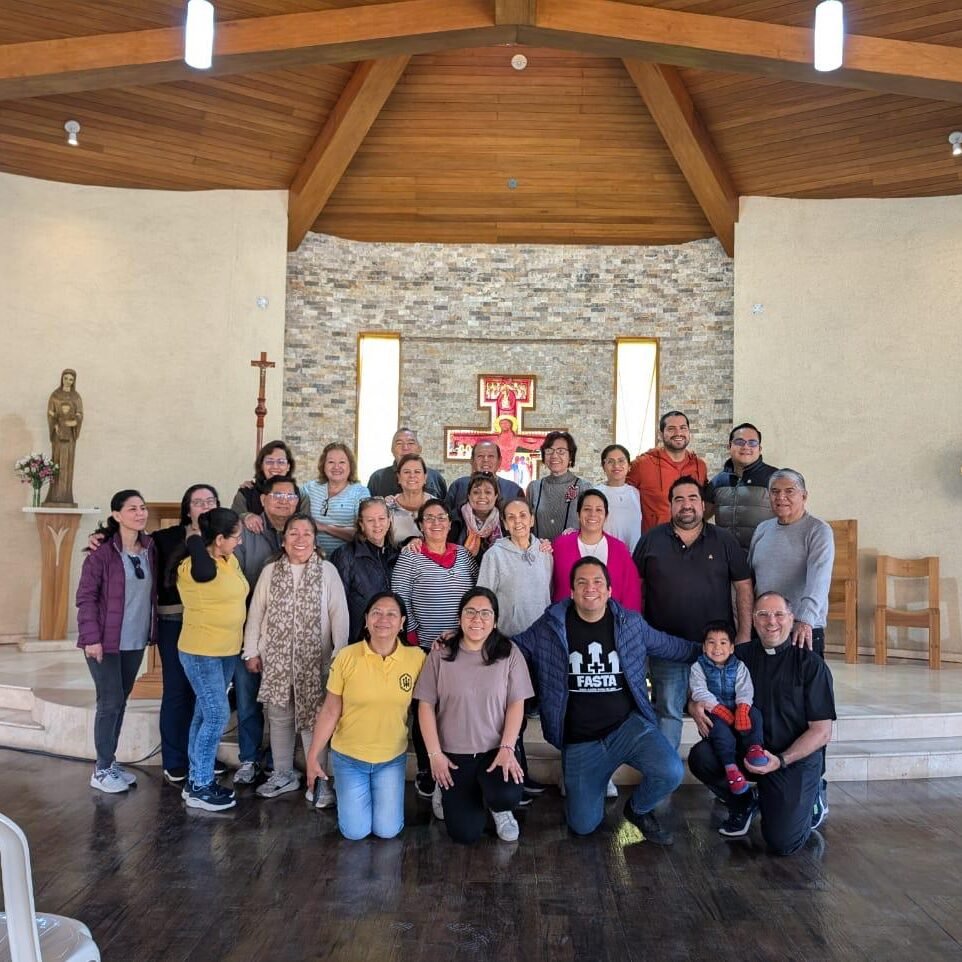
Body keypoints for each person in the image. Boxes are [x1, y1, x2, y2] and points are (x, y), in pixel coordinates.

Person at [514, 557, 700, 842]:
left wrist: (716, 652)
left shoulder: (630, 623)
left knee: (671, 770)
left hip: (627, 729)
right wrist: (467, 643)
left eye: (598, 582)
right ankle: (594, 784)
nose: (591, 588)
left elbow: (670, 646)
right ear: (572, 591)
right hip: (581, 741)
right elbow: (515, 646)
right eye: (582, 582)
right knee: (583, 825)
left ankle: (638, 810)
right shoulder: (550, 626)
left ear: (610, 590)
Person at [688, 593, 836, 853]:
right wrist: (693, 704)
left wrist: (781, 759)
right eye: (763, 615)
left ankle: (813, 797)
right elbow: (702, 682)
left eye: (779, 614)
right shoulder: (738, 656)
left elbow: (821, 732)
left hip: (790, 760)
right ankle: (744, 801)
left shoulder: (811, 665)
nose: (771, 622)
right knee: (702, 756)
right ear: (753, 621)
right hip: (748, 751)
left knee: (783, 843)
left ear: (792, 620)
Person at [632, 476, 753, 751]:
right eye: (679, 499)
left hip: (716, 651)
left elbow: (744, 586)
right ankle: (664, 778)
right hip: (665, 648)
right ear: (670, 505)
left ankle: (727, 776)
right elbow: (635, 591)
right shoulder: (650, 540)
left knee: (723, 712)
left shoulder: (724, 540)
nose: (686, 505)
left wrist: (744, 633)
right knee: (668, 712)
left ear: (702, 504)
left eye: (692, 498)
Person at [242, 514, 349, 800]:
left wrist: (340, 654)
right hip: (275, 661)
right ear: (283, 539)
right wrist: (251, 650)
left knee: (313, 718)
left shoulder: (327, 571)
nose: (300, 539)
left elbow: (339, 615)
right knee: (278, 716)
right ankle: (283, 774)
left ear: (315, 541)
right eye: (293, 533)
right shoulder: (270, 571)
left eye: (306, 534)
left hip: (315, 662)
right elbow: (256, 614)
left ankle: (319, 778)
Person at [416, 588, 533, 843]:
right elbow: (425, 705)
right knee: (464, 834)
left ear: (494, 621)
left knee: (506, 796)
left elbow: (516, 703)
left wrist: (507, 747)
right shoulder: (441, 652)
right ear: (459, 618)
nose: (477, 619)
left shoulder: (509, 652)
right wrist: (435, 756)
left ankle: (499, 810)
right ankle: (443, 788)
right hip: (453, 755)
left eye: (485, 613)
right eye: (470, 612)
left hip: (495, 750)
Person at [306, 592, 425, 840]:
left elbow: (428, 707)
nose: (383, 619)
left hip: (390, 758)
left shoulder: (416, 659)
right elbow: (330, 710)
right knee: (355, 832)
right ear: (366, 620)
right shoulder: (347, 656)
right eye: (376, 613)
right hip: (349, 758)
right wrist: (313, 756)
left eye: (391, 614)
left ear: (403, 622)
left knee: (387, 831)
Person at [390, 499, 478, 797]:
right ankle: (428, 769)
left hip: (463, 645)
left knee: (456, 708)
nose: (436, 524)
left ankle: (456, 761)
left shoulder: (464, 555)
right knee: (425, 707)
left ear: (451, 523)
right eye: (429, 519)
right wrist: (413, 635)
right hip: (425, 645)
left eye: (442, 518)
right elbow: (399, 597)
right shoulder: (411, 557)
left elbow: (477, 594)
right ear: (420, 525)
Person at [76, 490, 156, 793]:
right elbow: (85, 598)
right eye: (132, 509)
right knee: (109, 702)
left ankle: (109, 763)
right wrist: (91, 639)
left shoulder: (150, 549)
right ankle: (101, 769)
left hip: (134, 642)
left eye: (143, 508)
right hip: (104, 642)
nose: (140, 513)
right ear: (117, 515)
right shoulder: (102, 553)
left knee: (120, 701)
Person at [477, 496, 554, 798]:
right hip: (509, 644)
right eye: (511, 517)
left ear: (532, 519)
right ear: (504, 523)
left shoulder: (544, 551)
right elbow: (484, 598)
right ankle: (512, 778)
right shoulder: (495, 555)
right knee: (512, 715)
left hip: (541, 643)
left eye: (523, 515)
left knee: (529, 708)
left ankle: (521, 774)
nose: (518, 521)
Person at [231, 474, 302, 786]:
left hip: (287, 638)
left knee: (283, 703)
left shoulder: (300, 532)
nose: (283, 501)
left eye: (289, 496)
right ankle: (248, 759)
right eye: (277, 495)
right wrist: (251, 644)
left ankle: (277, 761)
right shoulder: (247, 531)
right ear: (263, 499)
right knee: (247, 700)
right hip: (248, 628)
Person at [177, 508, 249, 811]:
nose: (240, 542)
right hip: (201, 651)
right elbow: (203, 571)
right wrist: (195, 540)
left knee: (203, 714)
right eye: (235, 536)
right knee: (218, 715)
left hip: (226, 650)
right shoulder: (192, 566)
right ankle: (202, 785)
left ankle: (196, 780)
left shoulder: (228, 560)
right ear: (219, 539)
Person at [748, 469, 835, 656]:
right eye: (775, 491)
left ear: (803, 496)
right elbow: (750, 578)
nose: (781, 497)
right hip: (765, 628)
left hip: (801, 628)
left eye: (789, 491)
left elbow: (819, 578)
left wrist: (805, 620)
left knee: (802, 684)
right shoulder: (762, 529)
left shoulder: (818, 530)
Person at [688, 622, 767, 796]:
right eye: (711, 642)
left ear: (731, 648)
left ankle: (754, 748)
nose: (717, 647)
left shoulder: (739, 666)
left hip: (738, 705)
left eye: (723, 643)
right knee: (718, 731)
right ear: (703, 647)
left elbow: (745, 688)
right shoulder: (698, 667)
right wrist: (717, 708)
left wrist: (743, 707)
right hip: (714, 709)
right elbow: (699, 690)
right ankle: (730, 768)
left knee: (756, 715)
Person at [551, 490, 641, 611]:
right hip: (565, 621)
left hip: (611, 623)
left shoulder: (619, 549)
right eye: (587, 509)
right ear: (578, 514)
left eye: (599, 510)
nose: (592, 514)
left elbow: (631, 592)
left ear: (606, 516)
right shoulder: (559, 546)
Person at [330, 497, 400, 644]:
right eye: (370, 520)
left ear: (389, 521)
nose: (377, 525)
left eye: (381, 518)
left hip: (393, 639)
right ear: (361, 524)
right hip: (358, 640)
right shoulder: (345, 555)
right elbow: (336, 605)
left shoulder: (397, 554)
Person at [627, 411, 708, 533]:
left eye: (683, 428)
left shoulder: (699, 466)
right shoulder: (642, 464)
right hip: (655, 543)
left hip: (692, 542)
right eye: (671, 429)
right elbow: (619, 494)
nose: (678, 433)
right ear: (661, 434)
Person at [708, 422, 778, 551]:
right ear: (729, 446)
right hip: (726, 558)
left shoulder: (775, 478)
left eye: (752, 442)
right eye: (739, 442)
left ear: (759, 448)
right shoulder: (718, 481)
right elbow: (701, 515)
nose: (746, 447)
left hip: (763, 557)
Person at [301, 442, 370, 558]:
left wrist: (324, 527)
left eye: (342, 462)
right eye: (331, 462)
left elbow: (363, 534)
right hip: (311, 560)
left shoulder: (360, 492)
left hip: (346, 562)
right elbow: (287, 498)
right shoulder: (310, 488)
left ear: (350, 466)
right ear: (323, 465)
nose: (336, 467)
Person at [526, 431, 591, 541]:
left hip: (571, 552)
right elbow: (527, 524)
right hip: (539, 553)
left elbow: (590, 525)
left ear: (570, 456)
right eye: (549, 451)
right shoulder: (534, 487)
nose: (554, 455)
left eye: (561, 451)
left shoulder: (584, 487)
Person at [367, 427, 447, 500]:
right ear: (392, 450)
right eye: (399, 443)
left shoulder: (435, 477)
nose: (405, 447)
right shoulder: (378, 478)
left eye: (411, 443)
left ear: (419, 449)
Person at [446, 441, 523, 512]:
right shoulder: (459, 486)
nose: (485, 460)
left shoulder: (513, 490)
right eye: (480, 456)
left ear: (499, 461)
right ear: (472, 461)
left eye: (491, 456)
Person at [43, 368, 83, 506]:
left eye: (71, 379)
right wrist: (55, 425)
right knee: (57, 462)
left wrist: (74, 422)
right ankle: (54, 495)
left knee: (68, 464)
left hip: (70, 437)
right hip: (58, 436)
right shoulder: (55, 395)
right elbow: (50, 413)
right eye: (66, 378)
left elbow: (79, 414)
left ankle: (66, 496)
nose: (68, 381)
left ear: (74, 381)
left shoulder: (76, 397)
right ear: (62, 378)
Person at [596, 443, 642, 552]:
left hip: (633, 558)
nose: (616, 465)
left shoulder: (636, 493)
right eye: (610, 461)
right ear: (603, 466)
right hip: (605, 556)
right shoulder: (596, 493)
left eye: (621, 461)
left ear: (629, 466)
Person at [451, 472, 504, 559]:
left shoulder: (504, 521)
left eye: (488, 492)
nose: (482, 496)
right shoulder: (455, 520)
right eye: (476, 492)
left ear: (495, 496)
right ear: (469, 496)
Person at [385, 453, 433, 545]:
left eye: (417, 472)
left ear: (425, 477)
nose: (412, 476)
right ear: (399, 477)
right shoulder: (387, 507)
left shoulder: (436, 506)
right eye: (406, 472)